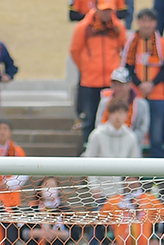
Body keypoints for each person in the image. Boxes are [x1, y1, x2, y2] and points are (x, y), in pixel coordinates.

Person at [70, 1, 126, 144]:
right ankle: (89, 149)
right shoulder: (83, 27)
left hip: (111, 82)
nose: (107, 14)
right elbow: (75, 50)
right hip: (90, 82)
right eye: (104, 10)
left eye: (109, 10)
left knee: (111, 118)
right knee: (89, 119)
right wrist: (86, 68)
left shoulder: (118, 27)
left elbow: (123, 49)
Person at [122, 8, 164, 157]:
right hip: (137, 95)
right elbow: (128, 67)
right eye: (143, 21)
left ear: (155, 23)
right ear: (138, 22)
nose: (146, 25)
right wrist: (140, 84)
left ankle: (158, 168)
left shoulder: (162, 43)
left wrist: (151, 84)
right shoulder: (131, 42)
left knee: (156, 136)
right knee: (135, 132)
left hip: (157, 95)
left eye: (150, 21)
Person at [99, 176, 164, 245]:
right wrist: (107, 243)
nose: (131, 181)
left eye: (134, 178)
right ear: (123, 182)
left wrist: (158, 239)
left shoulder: (150, 199)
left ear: (139, 181)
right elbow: (99, 224)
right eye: (128, 179)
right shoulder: (113, 201)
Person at [84, 98, 140, 202]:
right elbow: (89, 162)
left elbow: (135, 164)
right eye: (114, 112)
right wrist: (94, 187)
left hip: (123, 194)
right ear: (109, 114)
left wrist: (131, 182)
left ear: (127, 115)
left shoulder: (131, 137)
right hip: (101, 192)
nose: (117, 116)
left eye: (121, 112)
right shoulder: (97, 135)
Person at [95, 66, 150, 148]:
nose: (117, 88)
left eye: (121, 85)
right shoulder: (105, 102)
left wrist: (126, 141)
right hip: (107, 145)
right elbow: (99, 125)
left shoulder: (141, 105)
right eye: (115, 85)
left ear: (129, 85)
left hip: (131, 146)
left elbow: (142, 129)